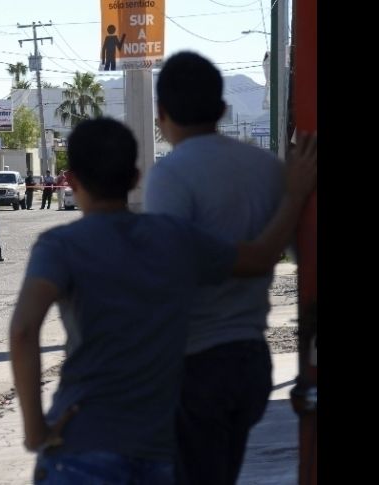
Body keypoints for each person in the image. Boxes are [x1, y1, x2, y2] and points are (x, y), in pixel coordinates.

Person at [9, 117, 316, 484]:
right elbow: (262, 257)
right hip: (159, 453)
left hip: (81, 444)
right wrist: (295, 193)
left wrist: (35, 430)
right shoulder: (174, 238)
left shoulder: (59, 246)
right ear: (136, 177)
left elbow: (24, 331)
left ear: (71, 182)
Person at [143, 51, 298, 485]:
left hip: (195, 365)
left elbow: (167, 275)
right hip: (251, 360)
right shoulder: (267, 168)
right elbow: (298, 254)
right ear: (223, 109)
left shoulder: (169, 176)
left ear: (162, 113)